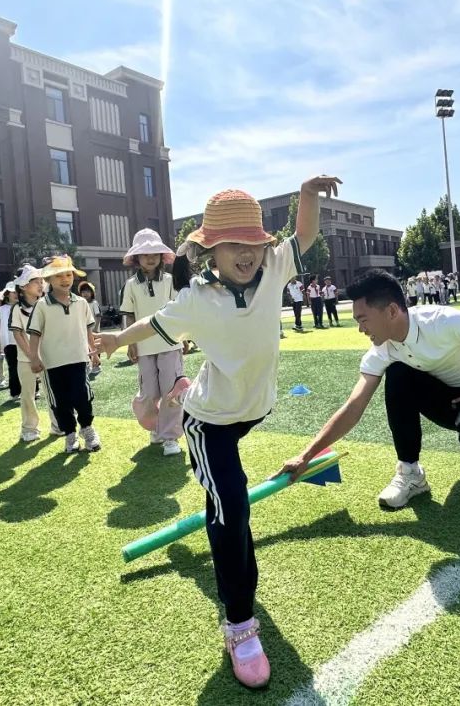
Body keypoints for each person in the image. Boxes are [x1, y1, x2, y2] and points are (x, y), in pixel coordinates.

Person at [96, 176, 339, 689]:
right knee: (233, 509)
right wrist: (118, 338)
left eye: (253, 243)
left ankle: (186, 397)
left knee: (222, 503)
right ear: (210, 250)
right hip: (210, 424)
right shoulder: (196, 299)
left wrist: (309, 195)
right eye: (233, 246)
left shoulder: (275, 267)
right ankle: (240, 624)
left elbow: (306, 236)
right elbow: (154, 324)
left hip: (252, 409)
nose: (247, 254)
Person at [277, 269, 460, 510]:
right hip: (451, 404)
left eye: (363, 319)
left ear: (391, 311)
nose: (360, 329)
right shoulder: (381, 351)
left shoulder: (444, 321)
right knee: (398, 373)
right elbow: (353, 407)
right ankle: (410, 472)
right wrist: (305, 456)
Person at [119, 228, 185, 457]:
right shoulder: (130, 284)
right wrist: (130, 342)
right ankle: (155, 426)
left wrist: (183, 336)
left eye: (155, 252)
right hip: (144, 347)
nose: (150, 257)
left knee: (171, 391)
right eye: (145, 253)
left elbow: (178, 310)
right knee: (148, 393)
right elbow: (128, 314)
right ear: (136, 258)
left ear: (161, 257)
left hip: (170, 344)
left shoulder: (169, 280)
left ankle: (170, 437)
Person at [28, 255, 102, 453]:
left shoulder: (81, 303)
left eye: (68, 274)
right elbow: (34, 334)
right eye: (58, 275)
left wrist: (93, 352)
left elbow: (88, 330)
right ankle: (70, 435)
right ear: (48, 280)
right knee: (60, 403)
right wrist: (34, 358)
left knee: (83, 397)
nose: (65, 279)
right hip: (52, 363)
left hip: (78, 359)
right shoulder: (42, 305)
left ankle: (87, 429)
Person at [9, 264, 53, 442]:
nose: (41, 285)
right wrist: (32, 356)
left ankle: (58, 423)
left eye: (41, 281)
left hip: (49, 356)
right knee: (27, 395)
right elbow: (18, 334)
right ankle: (29, 428)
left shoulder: (47, 304)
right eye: (35, 282)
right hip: (25, 359)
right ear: (23, 287)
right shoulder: (17, 309)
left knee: (52, 392)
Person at [0, 282, 20, 401]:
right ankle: (15, 392)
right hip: (8, 343)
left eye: (17, 292)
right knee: (12, 367)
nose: (16, 295)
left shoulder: (22, 306)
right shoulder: (1, 309)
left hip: (23, 340)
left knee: (26, 366)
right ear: (7, 294)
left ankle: (33, 390)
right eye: (13, 292)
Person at [78, 280, 103, 380]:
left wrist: (96, 328)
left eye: (88, 291)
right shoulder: (81, 304)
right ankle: (89, 365)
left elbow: (98, 316)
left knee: (95, 347)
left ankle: (97, 365)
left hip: (94, 331)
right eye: (83, 292)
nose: (85, 293)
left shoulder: (94, 303)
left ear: (92, 293)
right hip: (84, 331)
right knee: (86, 348)